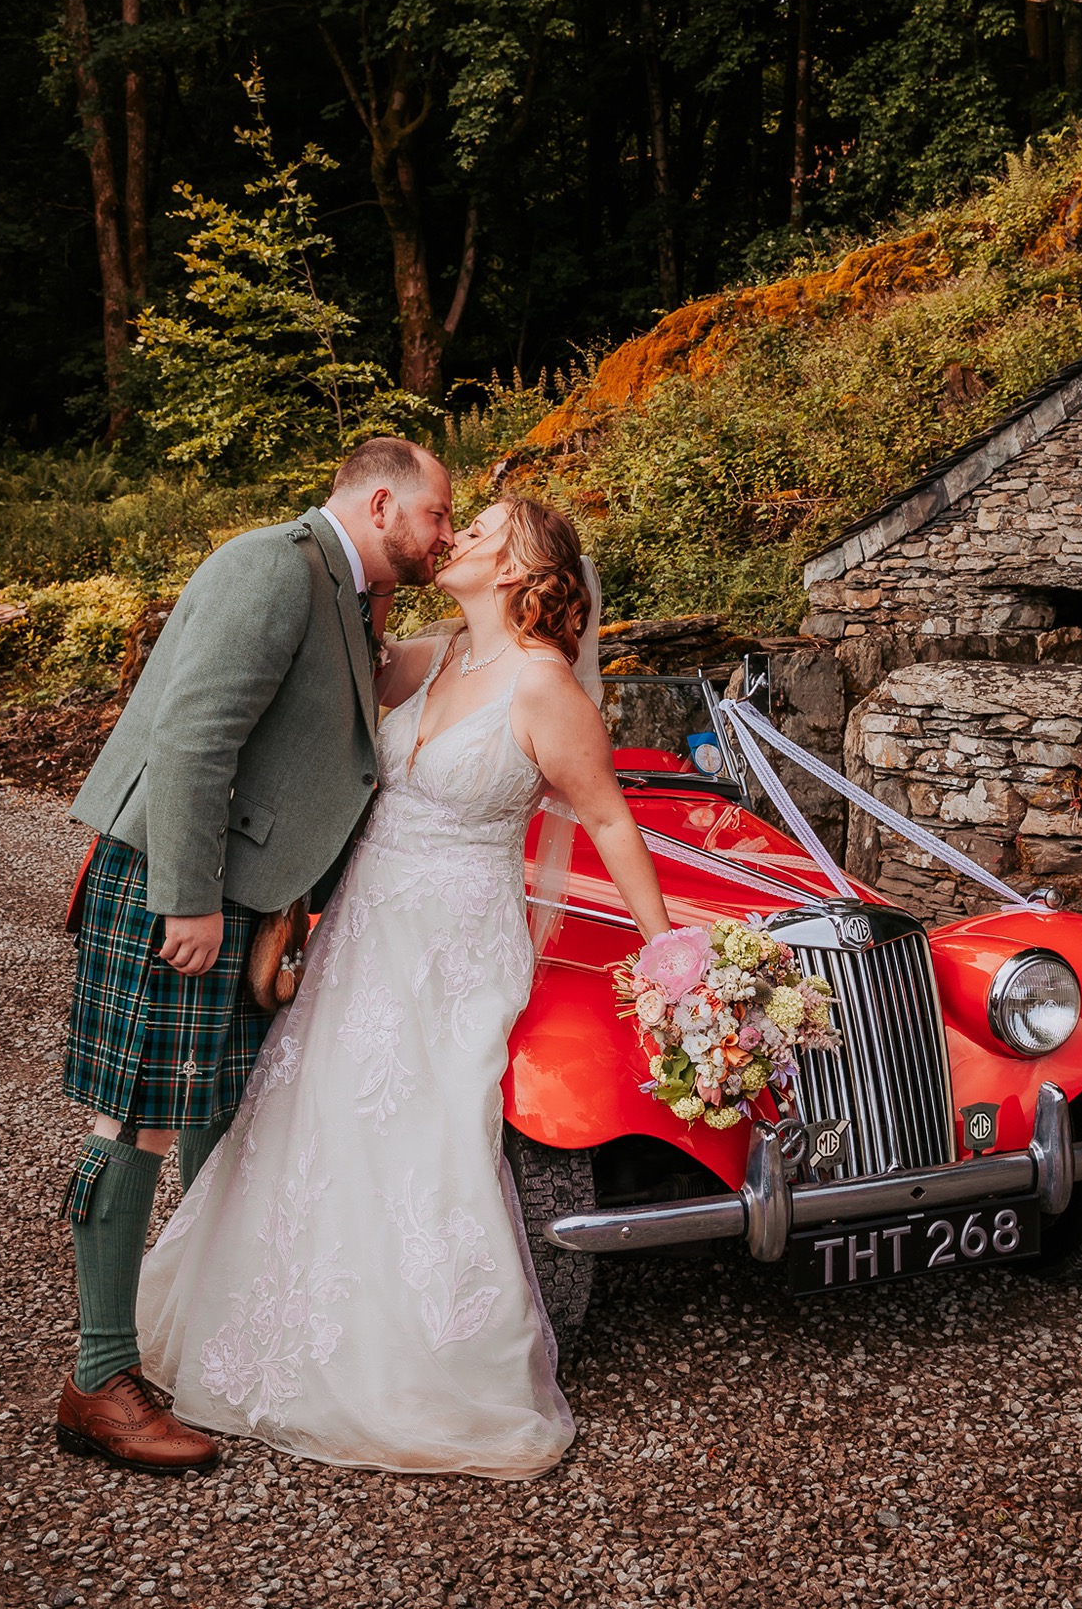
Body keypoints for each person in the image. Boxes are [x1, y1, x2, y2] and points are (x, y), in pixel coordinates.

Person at [136, 496, 675, 1479]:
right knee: (317, 1119)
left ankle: (419, 1371)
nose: (458, 534)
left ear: (517, 566)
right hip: (363, 929)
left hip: (452, 944)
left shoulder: (546, 687)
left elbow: (609, 823)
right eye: (456, 520)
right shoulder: (435, 657)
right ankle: (280, 1332)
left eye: (480, 527)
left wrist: (669, 955)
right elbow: (332, 679)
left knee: (421, 1138)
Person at [55, 438, 455, 1474]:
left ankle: (193, 1334)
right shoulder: (275, 564)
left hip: (241, 894)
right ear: (381, 501)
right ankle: (99, 1377)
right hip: (176, 883)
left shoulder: (348, 591)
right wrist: (186, 898)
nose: (445, 534)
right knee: (138, 1114)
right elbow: (194, 735)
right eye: (438, 516)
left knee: (217, 1105)